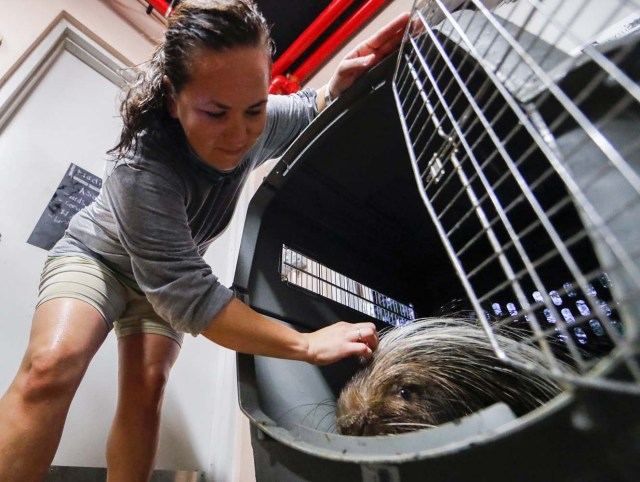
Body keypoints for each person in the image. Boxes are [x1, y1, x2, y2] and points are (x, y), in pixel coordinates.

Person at [0, 1, 409, 481]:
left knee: (147, 388)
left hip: (164, 281)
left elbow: (305, 107)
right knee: (52, 365)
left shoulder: (251, 121)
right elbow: (191, 296)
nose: (239, 135)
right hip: (99, 256)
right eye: (215, 113)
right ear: (174, 98)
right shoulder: (144, 168)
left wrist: (335, 87)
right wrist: (305, 344)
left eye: (254, 108)